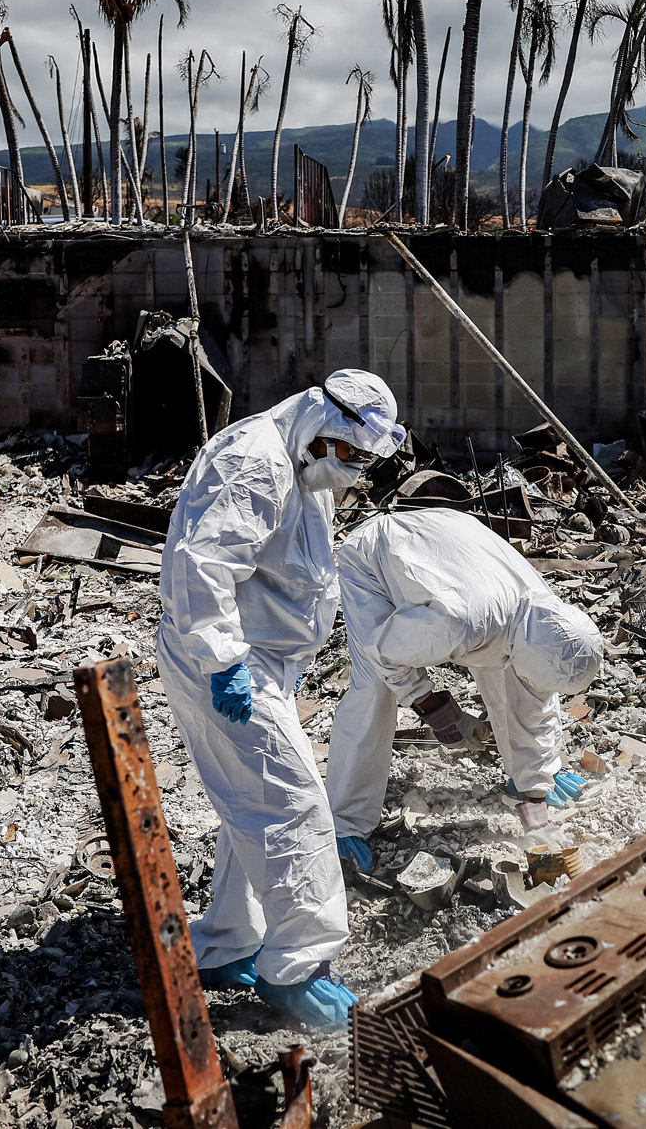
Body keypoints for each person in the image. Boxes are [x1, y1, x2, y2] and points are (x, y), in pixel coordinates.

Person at [157, 368, 404, 1031]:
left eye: (363, 462)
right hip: (230, 661)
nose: (351, 471)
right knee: (293, 805)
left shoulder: (302, 459)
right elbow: (201, 563)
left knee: (252, 805)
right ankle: (298, 968)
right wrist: (224, 662)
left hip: (263, 658)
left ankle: (226, 944)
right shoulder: (255, 459)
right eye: (350, 454)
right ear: (324, 422)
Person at [327, 507, 603, 871]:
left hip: (451, 545)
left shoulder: (545, 616)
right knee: (374, 689)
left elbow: (531, 698)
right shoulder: (459, 624)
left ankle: (525, 779)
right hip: (375, 558)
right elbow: (386, 653)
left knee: (512, 677)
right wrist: (439, 712)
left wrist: (535, 786)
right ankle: (341, 822)